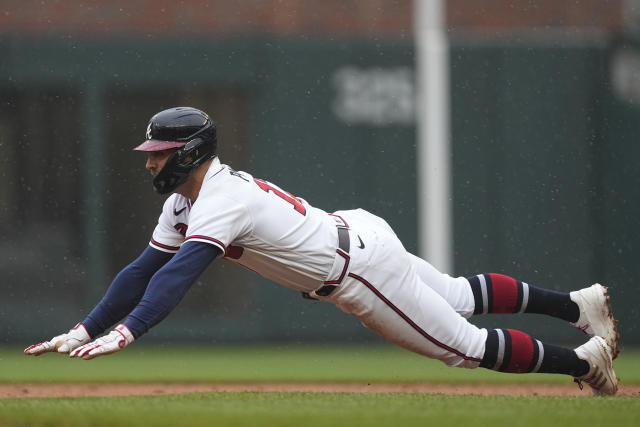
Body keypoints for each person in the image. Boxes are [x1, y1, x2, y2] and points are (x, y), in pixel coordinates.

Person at [25, 107, 620, 396]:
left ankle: (586, 363)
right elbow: (143, 269)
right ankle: (577, 305)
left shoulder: (219, 201)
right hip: (356, 234)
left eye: (158, 150)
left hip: (356, 271)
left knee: (462, 346)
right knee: (458, 296)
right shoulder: (188, 201)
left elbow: (179, 273)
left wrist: (128, 332)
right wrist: (86, 327)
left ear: (188, 152)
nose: (150, 160)